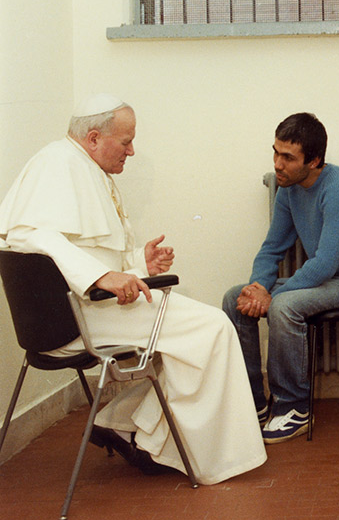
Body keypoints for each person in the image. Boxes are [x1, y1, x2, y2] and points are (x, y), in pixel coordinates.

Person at [0, 94, 266, 484]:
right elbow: (28, 237)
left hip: (92, 307)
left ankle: (120, 423)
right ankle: (180, 449)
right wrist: (99, 277)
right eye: (125, 142)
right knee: (214, 329)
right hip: (79, 317)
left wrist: (139, 263)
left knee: (192, 338)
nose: (132, 151)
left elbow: (88, 252)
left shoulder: (81, 164)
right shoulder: (58, 164)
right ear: (94, 138)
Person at [223, 113, 339, 444]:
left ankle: (294, 408)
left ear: (313, 161)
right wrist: (257, 288)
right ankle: (253, 404)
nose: (277, 164)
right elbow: (271, 249)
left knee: (284, 305)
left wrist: (270, 297)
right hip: (329, 280)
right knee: (234, 297)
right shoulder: (289, 189)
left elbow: (325, 263)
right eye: (275, 153)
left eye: (288, 157)